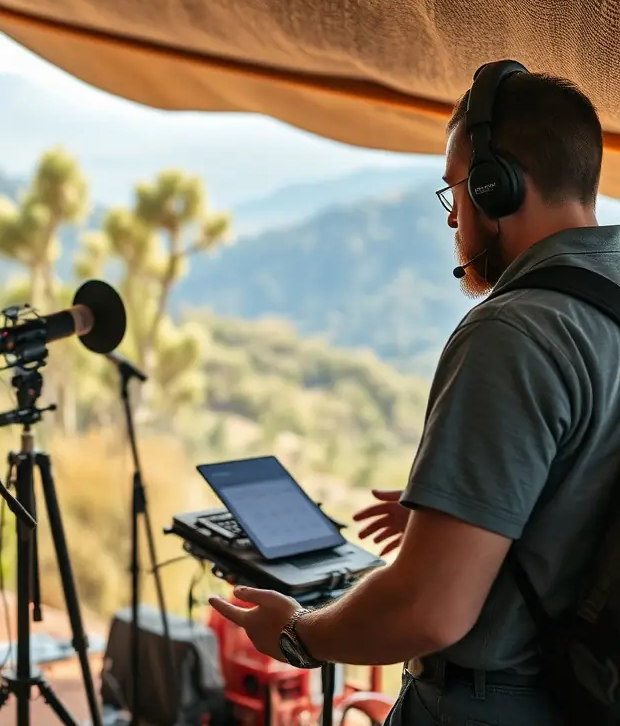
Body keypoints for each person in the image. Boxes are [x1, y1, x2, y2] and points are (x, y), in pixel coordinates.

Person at [209, 62, 619, 725]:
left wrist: (297, 634)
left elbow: (428, 610)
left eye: (456, 188)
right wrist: (463, 521)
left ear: (496, 185)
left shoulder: (513, 331)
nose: (453, 215)